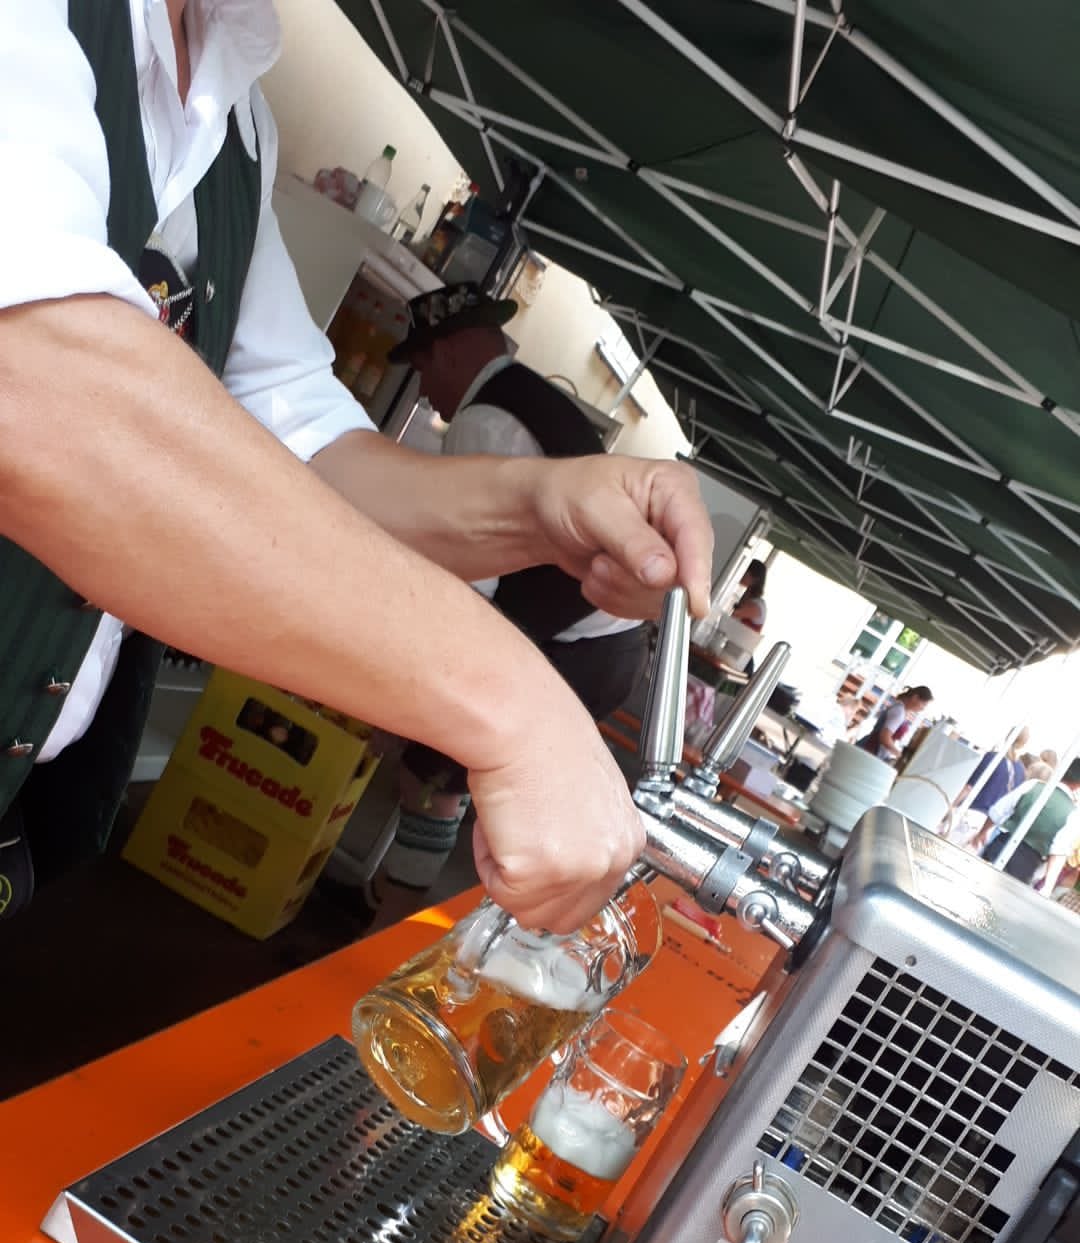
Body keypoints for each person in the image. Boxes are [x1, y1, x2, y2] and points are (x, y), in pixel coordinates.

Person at [0, 0, 713, 938]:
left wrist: (542, 504)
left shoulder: (240, 121)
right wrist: (503, 693)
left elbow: (307, 444)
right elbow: (37, 385)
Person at [334, 282, 656, 901]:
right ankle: (395, 894)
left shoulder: (485, 421)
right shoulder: (534, 402)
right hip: (607, 648)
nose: (423, 389)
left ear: (450, 350)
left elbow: (471, 586)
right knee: (458, 768)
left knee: (431, 771)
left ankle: (396, 913)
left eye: (422, 367)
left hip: (574, 649)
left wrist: (407, 691)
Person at [981, 759, 1080, 892]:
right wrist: (1048, 885)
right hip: (1026, 864)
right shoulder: (1072, 812)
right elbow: (1058, 851)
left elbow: (997, 812)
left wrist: (981, 833)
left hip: (999, 846)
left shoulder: (1033, 785)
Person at [857, 685, 934, 762]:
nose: (923, 708)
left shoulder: (900, 709)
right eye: (923, 704)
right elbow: (884, 737)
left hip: (870, 752)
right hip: (868, 752)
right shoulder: (899, 711)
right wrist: (899, 755)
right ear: (915, 697)